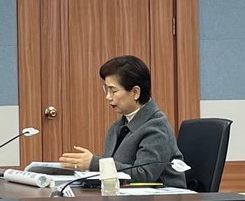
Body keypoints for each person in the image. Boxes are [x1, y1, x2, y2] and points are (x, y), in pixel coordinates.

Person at [59, 55, 186, 188]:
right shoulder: (117, 127)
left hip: (162, 199)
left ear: (135, 92)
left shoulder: (157, 128)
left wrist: (95, 163)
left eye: (113, 91)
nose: (108, 97)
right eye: (106, 90)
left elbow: (144, 175)